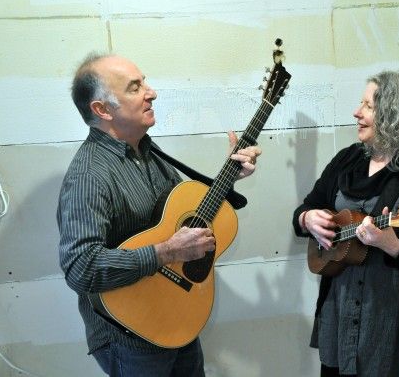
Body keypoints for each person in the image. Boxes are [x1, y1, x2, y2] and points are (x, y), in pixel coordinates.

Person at [57, 53, 261, 377]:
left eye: (145, 83)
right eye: (135, 87)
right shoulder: (89, 175)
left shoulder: (148, 154)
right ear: (102, 109)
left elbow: (184, 217)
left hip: (178, 320)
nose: (151, 92)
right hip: (130, 338)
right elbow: (80, 268)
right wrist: (166, 252)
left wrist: (228, 177)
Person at [292, 71, 399, 376]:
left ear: (396, 114)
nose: (357, 113)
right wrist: (307, 218)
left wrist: (393, 245)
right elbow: (306, 207)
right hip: (342, 316)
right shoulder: (347, 160)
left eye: (368, 106)